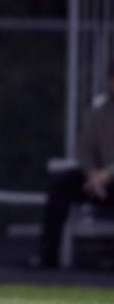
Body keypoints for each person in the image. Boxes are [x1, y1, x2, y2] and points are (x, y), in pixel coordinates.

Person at [38, 67, 114, 268]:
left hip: (108, 178)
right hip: (95, 181)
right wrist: (92, 174)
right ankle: (48, 258)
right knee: (61, 183)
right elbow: (85, 149)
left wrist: (107, 174)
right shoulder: (98, 114)